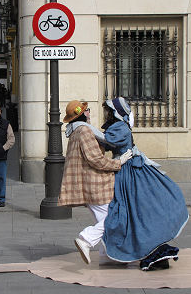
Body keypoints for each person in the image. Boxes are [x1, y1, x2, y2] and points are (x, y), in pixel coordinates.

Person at [100, 98, 189, 271]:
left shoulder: (119, 127)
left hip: (129, 172)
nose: (107, 114)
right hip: (131, 169)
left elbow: (105, 141)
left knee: (133, 210)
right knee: (141, 210)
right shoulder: (119, 126)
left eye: (109, 111)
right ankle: (147, 248)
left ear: (116, 112)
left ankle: (144, 248)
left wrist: (84, 128)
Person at [57, 100, 132, 265]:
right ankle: (86, 240)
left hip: (89, 186)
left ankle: (108, 256)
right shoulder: (83, 131)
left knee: (104, 221)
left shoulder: (76, 131)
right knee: (114, 218)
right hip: (96, 185)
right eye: (87, 110)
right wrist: (119, 163)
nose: (89, 113)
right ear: (82, 114)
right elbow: (95, 159)